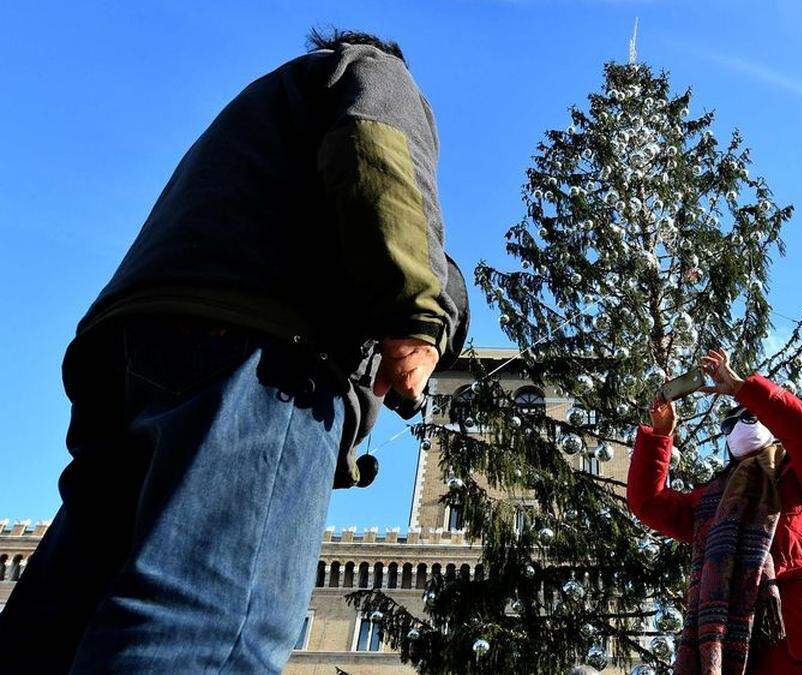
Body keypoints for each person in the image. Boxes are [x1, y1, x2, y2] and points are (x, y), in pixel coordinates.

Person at [0, 28, 468, 672]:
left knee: (62, 624)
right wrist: (417, 317)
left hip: (137, 365)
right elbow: (379, 158)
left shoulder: (255, 123)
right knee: (215, 629)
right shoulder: (374, 72)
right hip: (264, 364)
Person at [627, 349, 802, 675]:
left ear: (769, 423)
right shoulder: (714, 499)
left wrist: (741, 388)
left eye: (749, 417)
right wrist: (661, 434)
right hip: (743, 657)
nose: (738, 428)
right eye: (729, 423)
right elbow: (648, 503)